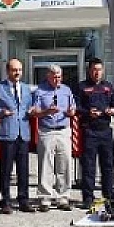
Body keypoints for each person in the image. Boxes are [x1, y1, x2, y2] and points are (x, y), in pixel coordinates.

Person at [0, 58, 35, 214]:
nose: (18, 73)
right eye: (15, 70)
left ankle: (23, 200)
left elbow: (30, 106)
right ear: (8, 71)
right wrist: (3, 112)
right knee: (6, 170)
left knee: (23, 170)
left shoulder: (26, 88)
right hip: (7, 134)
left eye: (20, 70)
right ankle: (6, 200)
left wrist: (32, 111)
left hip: (23, 133)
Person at [30, 64, 76, 212]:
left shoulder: (66, 90)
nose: (57, 79)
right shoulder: (40, 91)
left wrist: (71, 112)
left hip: (63, 130)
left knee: (65, 164)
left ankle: (63, 196)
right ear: (48, 76)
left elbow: (73, 108)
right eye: (54, 76)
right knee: (46, 165)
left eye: (59, 76)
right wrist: (46, 111)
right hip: (47, 130)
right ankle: (45, 197)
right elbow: (34, 112)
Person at [76, 58, 114, 207]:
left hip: (105, 130)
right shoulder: (82, 87)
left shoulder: (108, 87)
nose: (97, 73)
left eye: (99, 70)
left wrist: (113, 110)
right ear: (89, 70)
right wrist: (88, 112)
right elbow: (77, 107)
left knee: (108, 164)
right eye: (94, 70)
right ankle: (88, 197)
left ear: (103, 70)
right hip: (89, 130)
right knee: (88, 165)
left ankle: (108, 194)